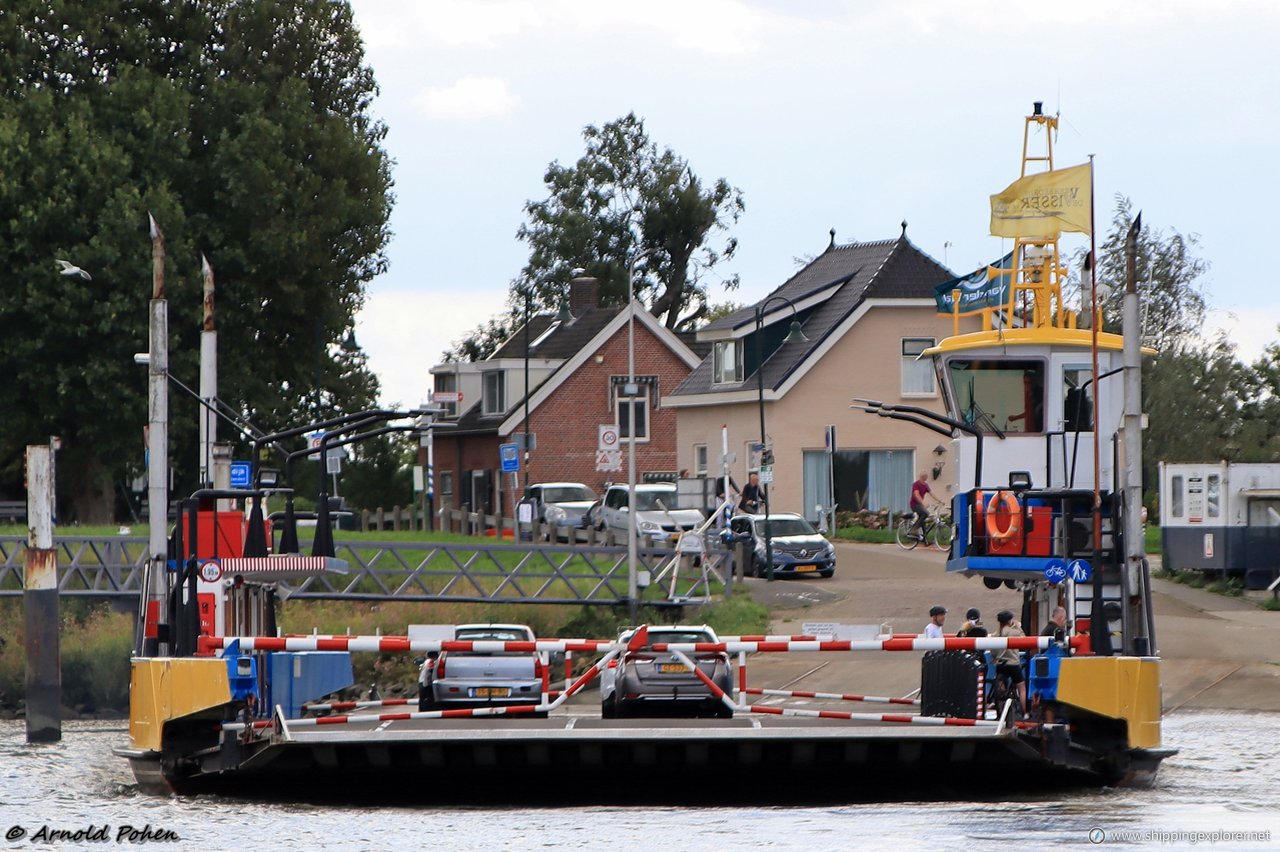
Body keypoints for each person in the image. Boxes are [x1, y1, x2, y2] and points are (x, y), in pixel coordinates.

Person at [993, 610, 1027, 714]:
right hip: (1013, 664)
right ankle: (1024, 712)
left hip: (1000, 663)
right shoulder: (1014, 632)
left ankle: (1001, 710)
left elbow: (992, 651)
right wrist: (1017, 626)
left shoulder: (996, 634)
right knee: (1021, 688)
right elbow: (1024, 639)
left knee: (1001, 686)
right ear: (1009, 621)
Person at [909, 471, 942, 538]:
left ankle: (924, 539)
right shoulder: (916, 484)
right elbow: (916, 494)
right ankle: (914, 530)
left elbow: (931, 493)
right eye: (925, 477)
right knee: (925, 513)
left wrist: (939, 500)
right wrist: (923, 503)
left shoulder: (925, 485)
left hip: (920, 505)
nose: (926, 478)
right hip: (914, 504)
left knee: (923, 518)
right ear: (922, 477)